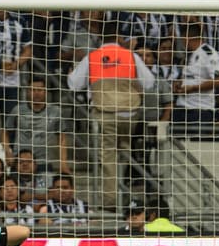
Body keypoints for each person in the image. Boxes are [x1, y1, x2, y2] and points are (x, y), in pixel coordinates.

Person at [66, 24, 156, 211]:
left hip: (105, 114)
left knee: (108, 159)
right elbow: (149, 83)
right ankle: (128, 198)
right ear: (119, 38)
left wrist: (69, 72)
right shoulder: (132, 56)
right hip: (130, 115)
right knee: (123, 156)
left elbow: (74, 85)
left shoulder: (92, 57)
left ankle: (110, 203)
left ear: (100, 37)